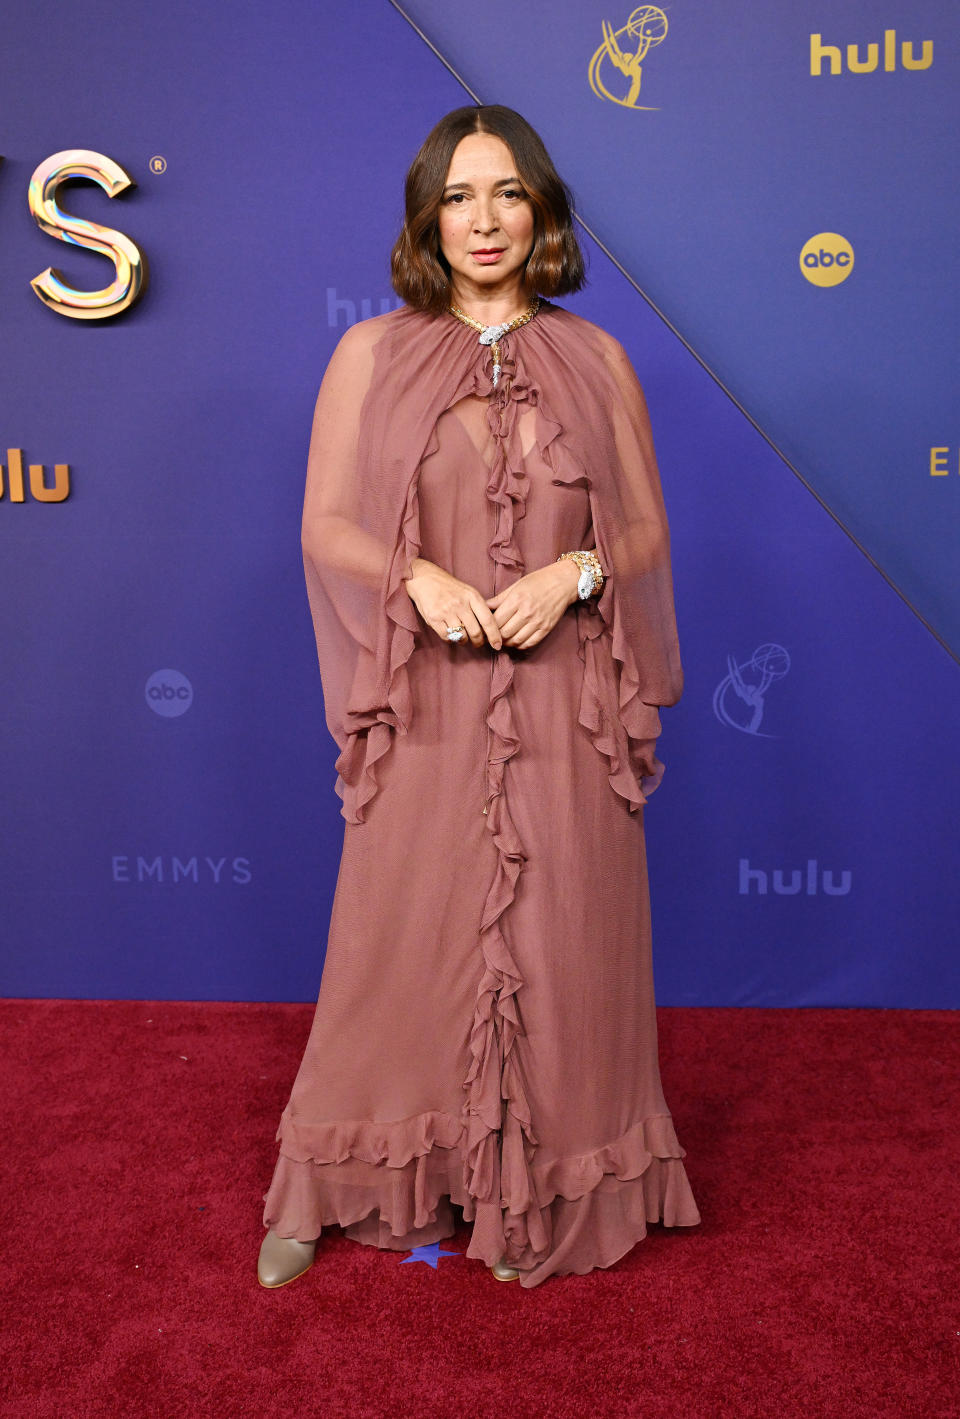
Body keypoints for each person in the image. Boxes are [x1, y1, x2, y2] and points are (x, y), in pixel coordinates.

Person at [258, 103, 701, 1291]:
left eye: (506, 193)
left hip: (565, 704)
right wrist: (417, 579)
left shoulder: (598, 360)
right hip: (432, 699)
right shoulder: (369, 355)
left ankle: (546, 1195)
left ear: (543, 209)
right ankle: (341, 1179)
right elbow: (326, 527)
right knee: (395, 945)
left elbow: (647, 531)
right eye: (459, 196)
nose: (484, 219)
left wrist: (577, 570)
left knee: (562, 953)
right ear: (427, 218)